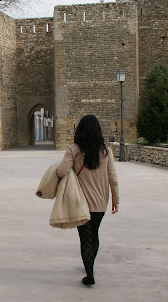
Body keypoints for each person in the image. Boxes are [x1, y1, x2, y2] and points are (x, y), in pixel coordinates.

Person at [57, 114, 120, 286]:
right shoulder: (106, 150)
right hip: (101, 202)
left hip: (80, 202)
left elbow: (62, 171)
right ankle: (90, 265)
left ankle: (90, 274)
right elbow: (113, 178)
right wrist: (116, 199)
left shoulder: (74, 149)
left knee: (85, 238)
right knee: (94, 235)